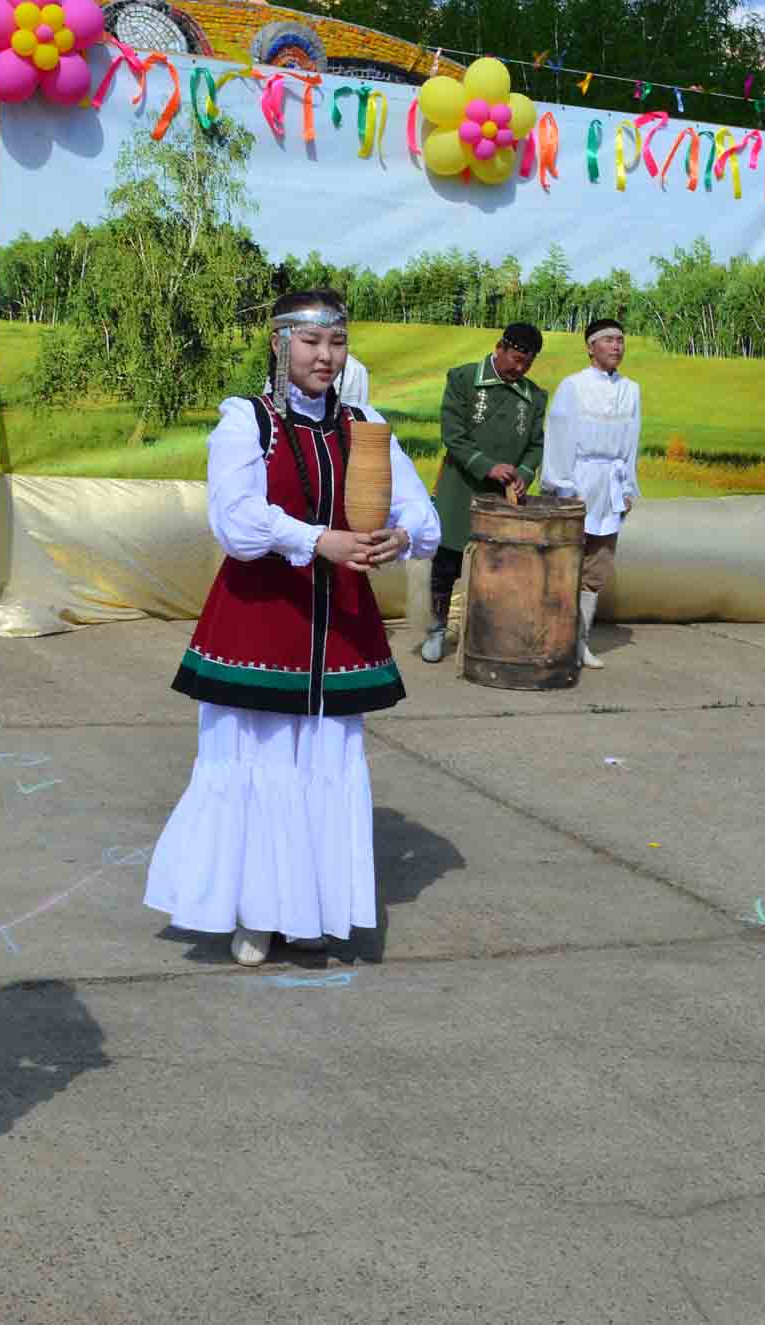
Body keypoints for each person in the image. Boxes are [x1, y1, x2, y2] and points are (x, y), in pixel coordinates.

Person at [145, 290, 441, 966]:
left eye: (336, 342)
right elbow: (235, 518)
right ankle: (253, 912)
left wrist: (399, 536)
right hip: (260, 622)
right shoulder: (248, 420)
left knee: (324, 762)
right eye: (310, 343)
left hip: (339, 629)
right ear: (280, 345)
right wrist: (318, 540)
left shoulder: (364, 423)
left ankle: (310, 910)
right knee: (260, 762)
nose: (325, 356)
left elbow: (422, 516)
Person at [420, 323, 547, 663]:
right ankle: (436, 629)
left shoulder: (534, 396)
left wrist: (522, 473)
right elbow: (453, 434)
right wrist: (486, 466)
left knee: (497, 566)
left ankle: (487, 633)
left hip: (503, 499)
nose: (519, 369)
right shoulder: (463, 379)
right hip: (460, 488)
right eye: (516, 360)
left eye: (527, 364)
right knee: (447, 562)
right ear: (499, 347)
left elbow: (536, 446)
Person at [542, 318, 641, 668]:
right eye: (609, 340)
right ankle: (552, 639)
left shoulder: (632, 389)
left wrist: (628, 485)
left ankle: (580, 642)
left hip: (610, 485)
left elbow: (632, 440)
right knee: (566, 561)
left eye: (620, 341)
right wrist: (563, 487)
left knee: (597, 566)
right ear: (590, 347)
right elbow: (558, 437)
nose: (617, 347)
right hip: (580, 480)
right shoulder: (573, 386)